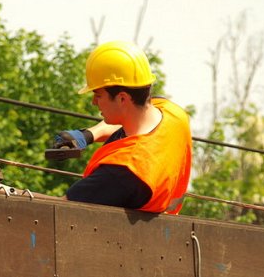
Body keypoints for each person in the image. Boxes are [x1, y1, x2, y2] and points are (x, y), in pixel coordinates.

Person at [53, 40, 192, 214]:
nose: (94, 102)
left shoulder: (123, 171)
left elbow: (57, 211)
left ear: (122, 98)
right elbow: (131, 120)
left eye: (98, 95)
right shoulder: (174, 114)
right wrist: (89, 135)